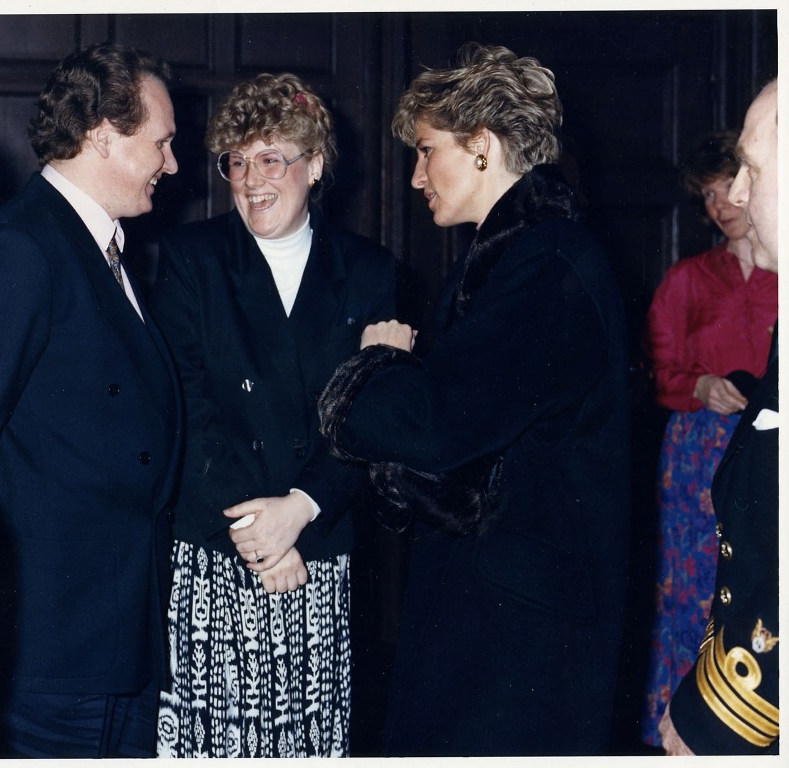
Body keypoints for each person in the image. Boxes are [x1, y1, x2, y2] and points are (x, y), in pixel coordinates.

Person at [318, 42, 630, 756]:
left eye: (427, 151)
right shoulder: (519, 255)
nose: (415, 175)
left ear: (482, 146)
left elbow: (437, 425)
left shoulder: (544, 264)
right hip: (504, 602)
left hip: (523, 627)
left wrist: (373, 367)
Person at [0, 43, 181, 758]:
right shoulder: (23, 247)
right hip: (54, 648)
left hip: (114, 635)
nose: (171, 165)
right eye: (160, 143)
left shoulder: (104, 246)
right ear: (103, 135)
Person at [150, 72, 396, 757]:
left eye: (271, 159)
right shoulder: (191, 259)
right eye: (236, 161)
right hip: (219, 546)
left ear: (314, 166)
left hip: (315, 549)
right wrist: (260, 532)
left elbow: (373, 414)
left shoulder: (369, 270)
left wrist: (301, 509)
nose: (251, 180)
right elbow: (186, 404)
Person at [642, 131, 777, 746]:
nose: (720, 205)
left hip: (767, 449)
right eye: (707, 197)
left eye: (727, 188)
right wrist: (697, 386)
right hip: (698, 450)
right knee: (689, 586)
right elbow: (654, 372)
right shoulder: (687, 279)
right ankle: (678, 728)